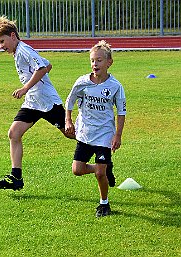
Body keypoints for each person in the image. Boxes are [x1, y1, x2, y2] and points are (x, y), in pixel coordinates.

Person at [0, 15, 74, 190]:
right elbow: (47, 65)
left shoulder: (24, 50)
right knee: (14, 133)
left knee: (70, 133)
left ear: (13, 36)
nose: (1, 46)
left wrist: (25, 88)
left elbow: (43, 68)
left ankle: (101, 149)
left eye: (2, 41)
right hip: (33, 103)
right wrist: (31, 88)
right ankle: (16, 178)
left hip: (47, 101)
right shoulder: (19, 51)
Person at [65, 40, 126, 217]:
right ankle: (106, 168)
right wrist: (68, 121)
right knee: (77, 170)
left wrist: (118, 135)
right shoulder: (82, 82)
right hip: (84, 132)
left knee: (100, 174)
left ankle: (104, 204)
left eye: (99, 60)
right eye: (92, 60)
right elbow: (69, 101)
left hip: (104, 135)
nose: (95, 64)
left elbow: (121, 112)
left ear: (109, 63)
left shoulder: (115, 86)